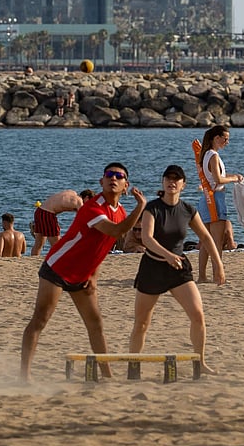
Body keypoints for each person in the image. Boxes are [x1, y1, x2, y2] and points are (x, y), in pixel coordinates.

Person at [19, 162, 149, 382]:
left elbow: (104, 246)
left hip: (82, 275)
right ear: (101, 181)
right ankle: (25, 375)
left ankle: (107, 375)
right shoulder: (93, 208)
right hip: (57, 268)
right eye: (109, 175)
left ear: (126, 185)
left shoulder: (121, 212)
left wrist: (94, 276)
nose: (113, 178)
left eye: (119, 176)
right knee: (40, 320)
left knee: (96, 324)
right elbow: (117, 230)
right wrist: (141, 206)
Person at [129, 165, 225, 375]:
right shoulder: (152, 208)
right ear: (163, 182)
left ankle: (200, 362)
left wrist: (218, 265)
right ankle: (133, 366)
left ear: (184, 184)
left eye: (176, 179)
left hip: (178, 269)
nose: (172, 182)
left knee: (198, 315)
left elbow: (206, 237)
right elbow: (147, 238)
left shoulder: (188, 210)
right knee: (142, 323)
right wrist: (168, 255)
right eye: (168, 178)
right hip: (153, 267)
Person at [195, 126, 241, 285]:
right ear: (216, 138)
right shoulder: (213, 156)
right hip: (215, 199)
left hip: (206, 198)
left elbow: (216, 177)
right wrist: (234, 179)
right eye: (225, 138)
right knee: (216, 240)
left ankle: (202, 276)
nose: (227, 142)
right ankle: (217, 275)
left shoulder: (206, 155)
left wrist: (234, 176)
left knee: (205, 240)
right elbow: (219, 180)